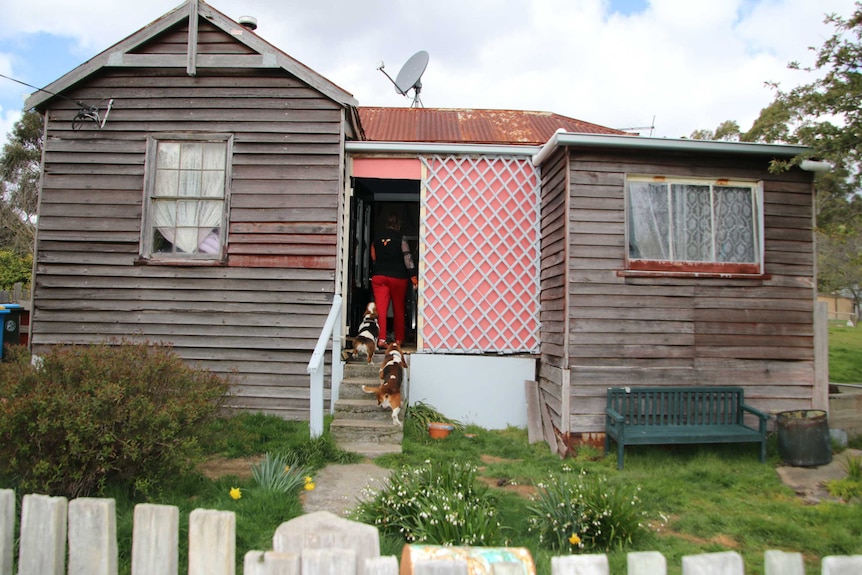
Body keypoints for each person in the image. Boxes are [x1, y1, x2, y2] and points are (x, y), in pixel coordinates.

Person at [370, 212, 418, 347]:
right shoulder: (400, 238)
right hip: (398, 277)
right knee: (398, 308)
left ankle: (381, 339)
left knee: (381, 309)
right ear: (398, 225)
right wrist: (413, 275)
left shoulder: (377, 237)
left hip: (379, 276)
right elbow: (407, 256)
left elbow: (373, 256)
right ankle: (398, 340)